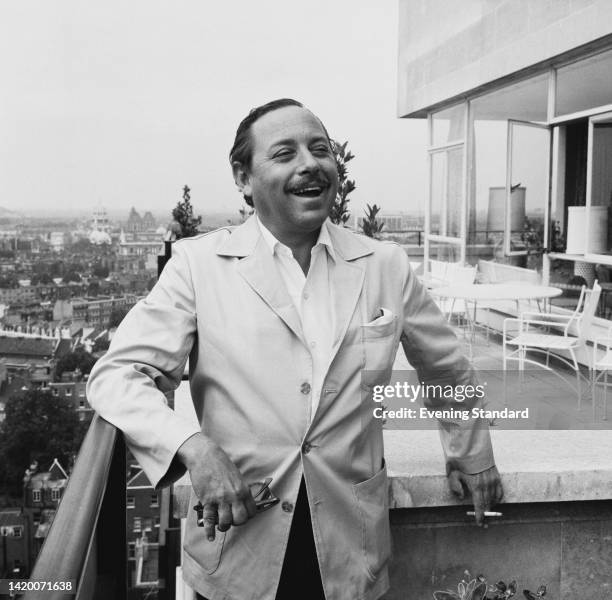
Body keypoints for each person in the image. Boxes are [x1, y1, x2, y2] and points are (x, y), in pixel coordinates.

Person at [87, 98, 503, 600]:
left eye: (321, 149)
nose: (310, 164)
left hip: (353, 547)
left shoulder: (386, 265)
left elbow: (447, 370)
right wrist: (193, 449)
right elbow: (116, 377)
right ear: (243, 178)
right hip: (238, 548)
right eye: (284, 153)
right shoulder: (198, 267)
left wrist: (472, 452)